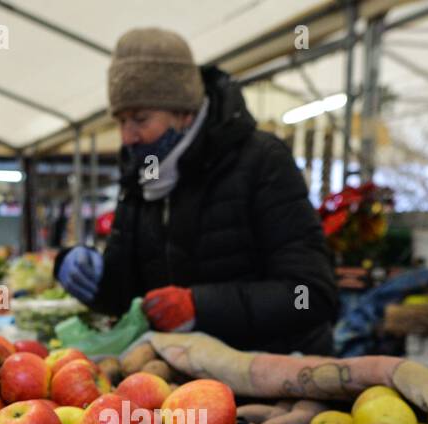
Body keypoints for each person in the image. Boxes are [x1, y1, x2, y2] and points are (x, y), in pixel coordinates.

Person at [55, 28, 337, 355]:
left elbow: (311, 294)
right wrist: (87, 275)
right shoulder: (141, 178)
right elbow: (126, 298)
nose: (127, 137)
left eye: (140, 119)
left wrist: (200, 307)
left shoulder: (261, 161)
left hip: (275, 377)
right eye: (120, 121)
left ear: (184, 112)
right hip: (185, 378)